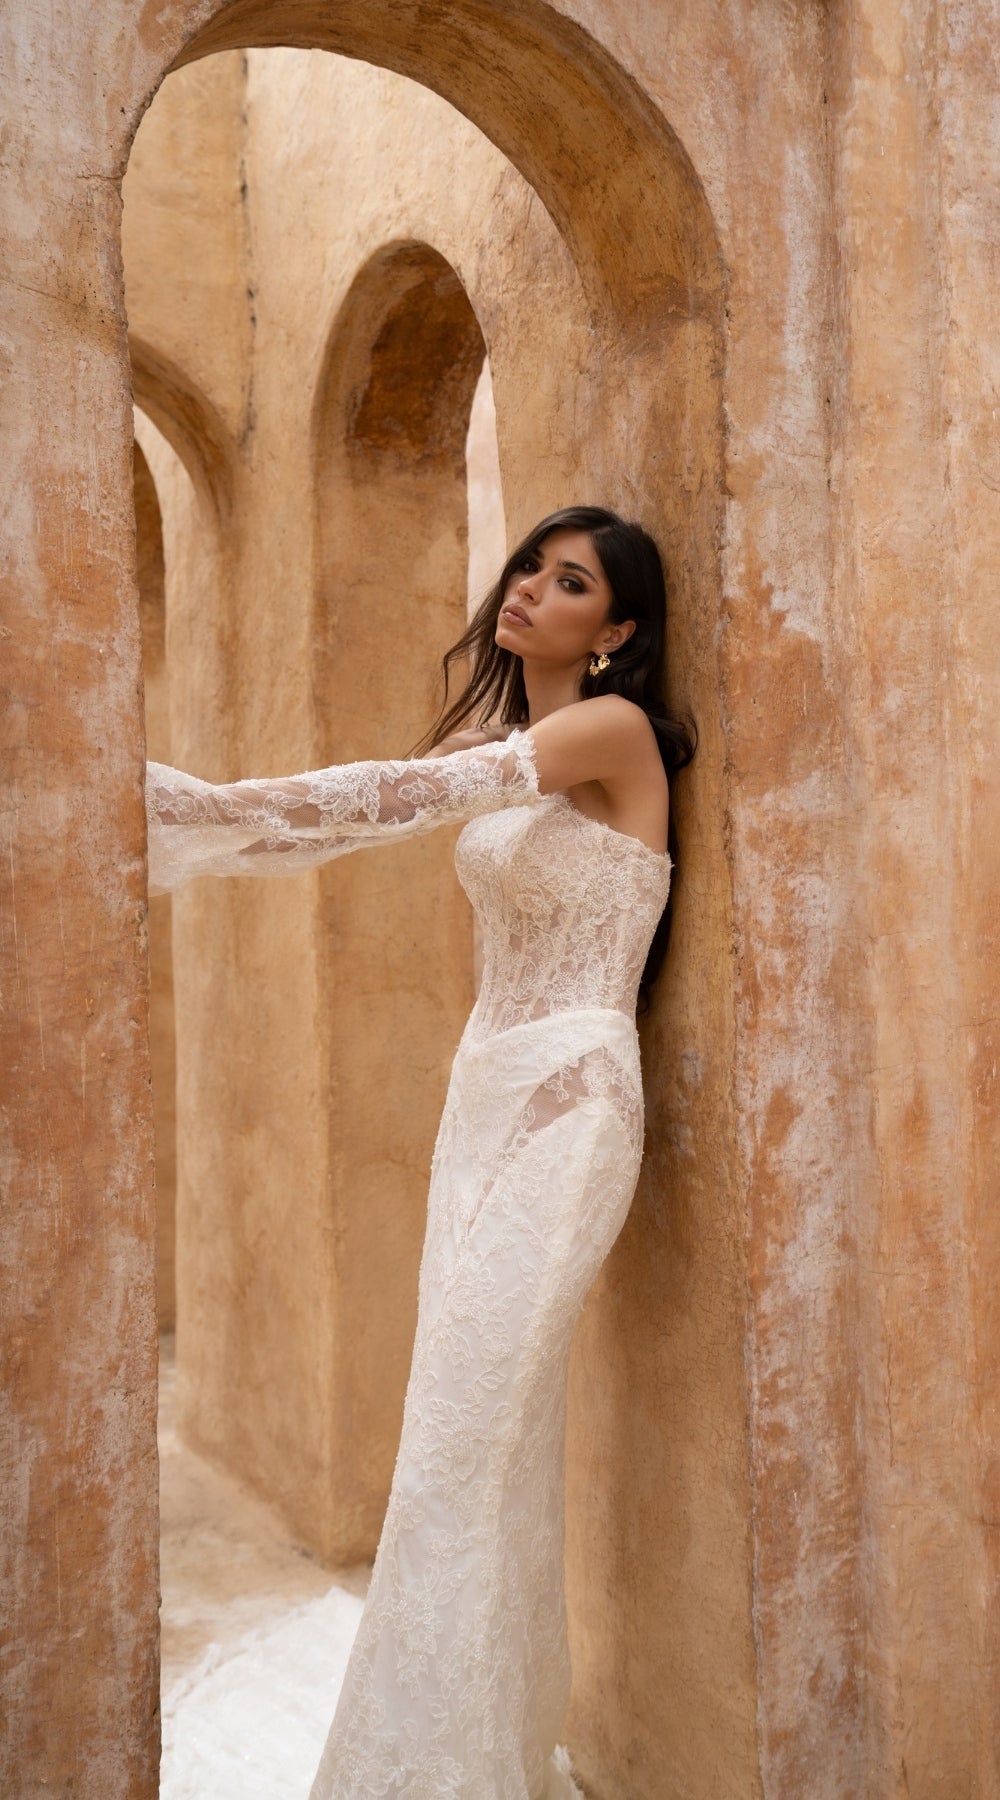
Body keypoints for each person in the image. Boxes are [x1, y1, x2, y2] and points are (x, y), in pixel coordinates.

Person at [145, 505, 695, 1799]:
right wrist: (198, 835)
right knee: (473, 1451)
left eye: (571, 584)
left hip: (572, 1104)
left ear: (615, 633)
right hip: (481, 1098)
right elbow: (364, 815)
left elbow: (397, 798)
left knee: (462, 1444)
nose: (529, 590)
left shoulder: (613, 738)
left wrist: (191, 809)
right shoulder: (510, 743)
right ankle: (486, 1752)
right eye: (529, 566)